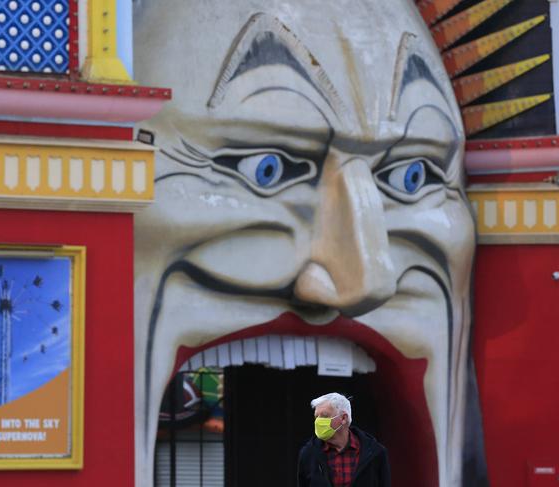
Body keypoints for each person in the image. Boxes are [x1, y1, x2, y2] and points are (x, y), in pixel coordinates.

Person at [133, 1, 485, 485]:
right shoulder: (308, 459)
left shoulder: (371, 457)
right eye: (266, 167)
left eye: (412, 175)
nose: (365, 283)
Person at [298, 393, 391, 487]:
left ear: (343, 418)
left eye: (324, 416)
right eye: (316, 417)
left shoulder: (376, 453)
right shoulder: (308, 454)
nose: (318, 421)